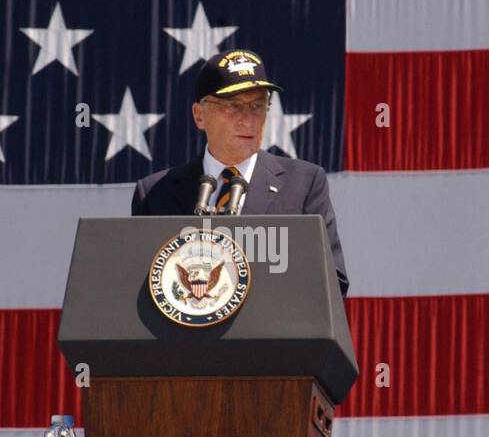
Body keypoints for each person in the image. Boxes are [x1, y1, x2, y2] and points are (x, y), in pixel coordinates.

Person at [131, 48, 349, 295]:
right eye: (233, 106)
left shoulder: (304, 184)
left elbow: (333, 282)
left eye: (257, 105)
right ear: (199, 115)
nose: (249, 119)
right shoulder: (155, 193)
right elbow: (143, 286)